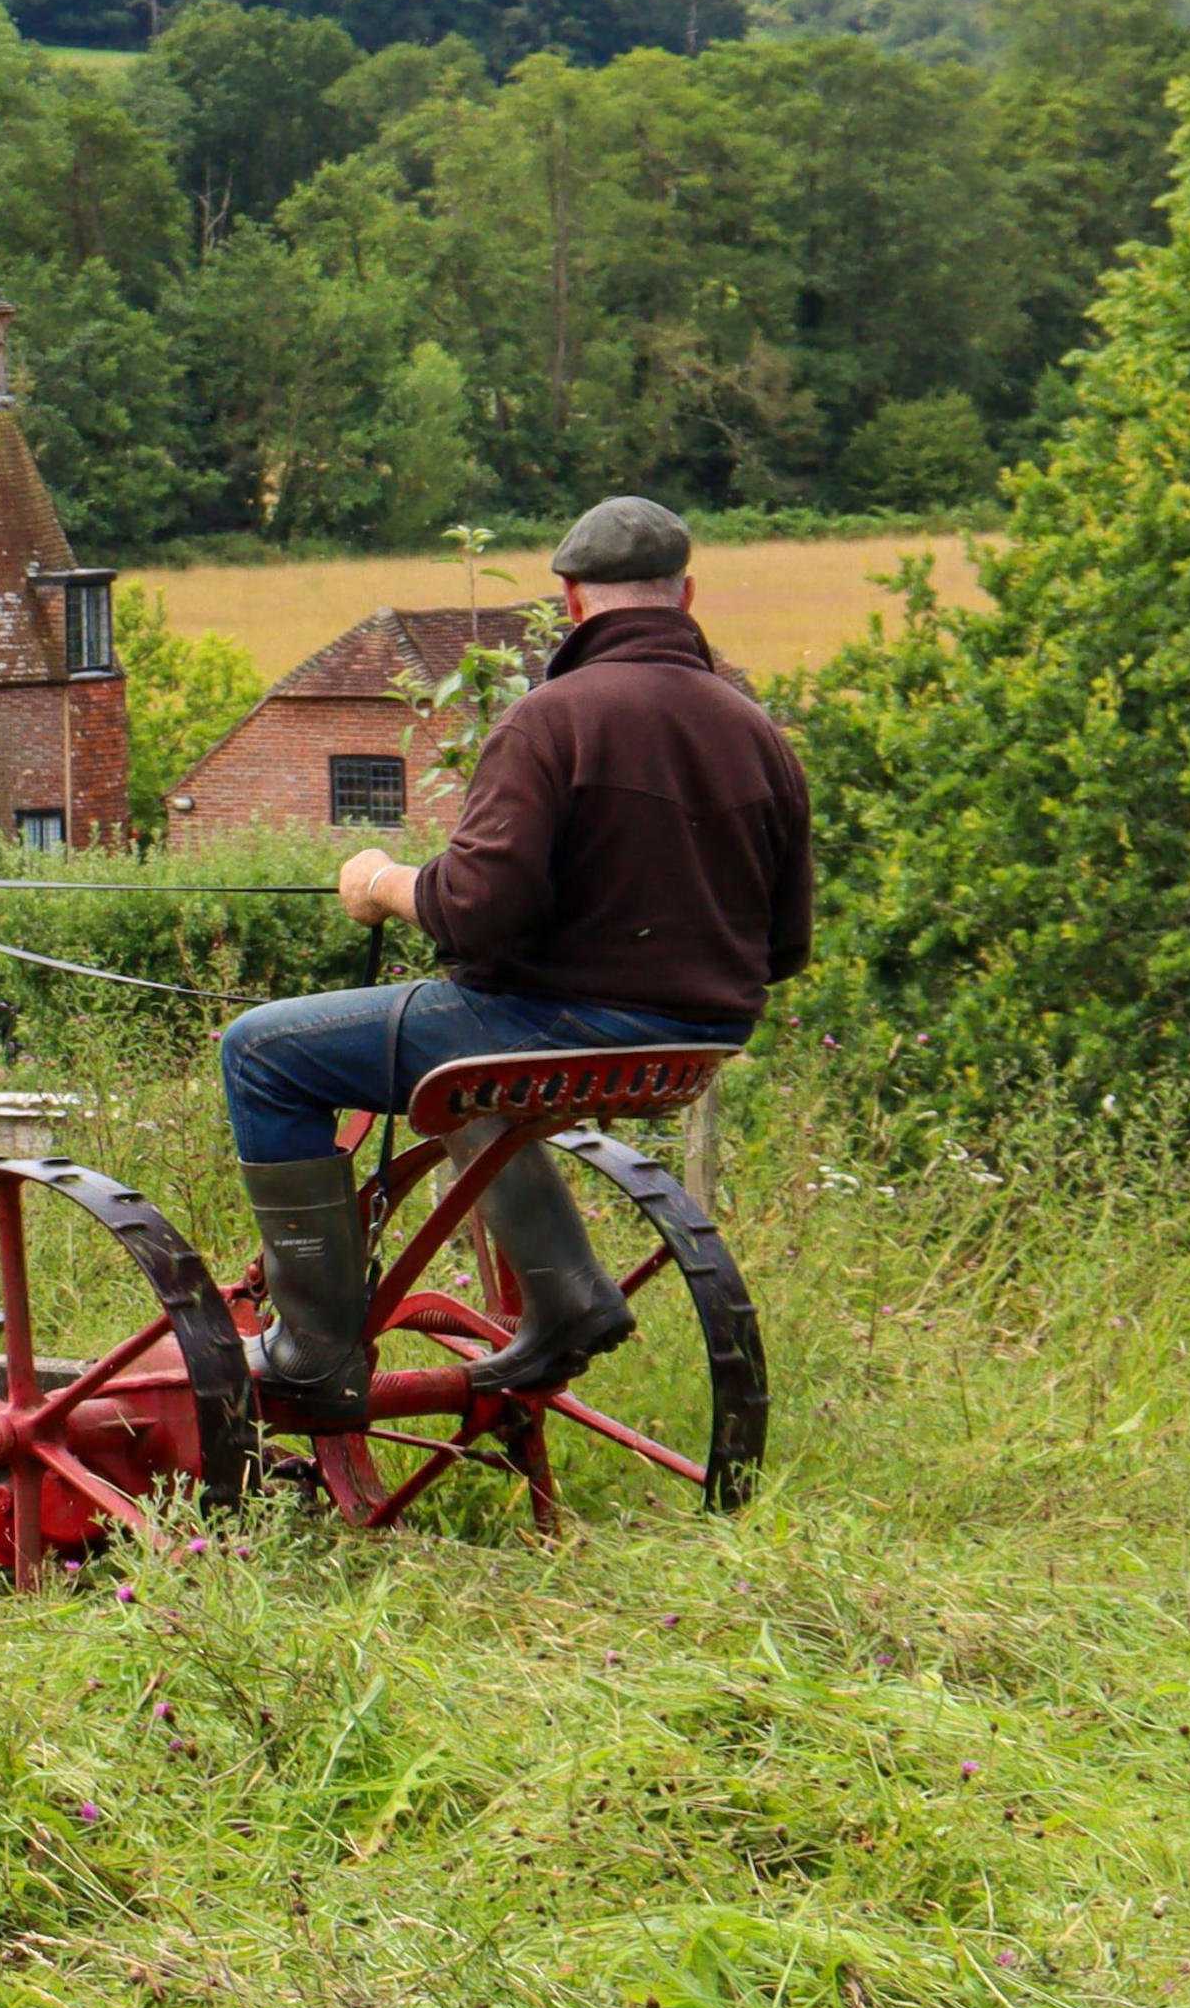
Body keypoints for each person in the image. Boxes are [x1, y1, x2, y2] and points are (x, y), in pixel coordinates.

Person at [216, 497, 812, 1413]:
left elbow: (477, 911)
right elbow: (785, 946)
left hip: (559, 1027)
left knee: (259, 1050)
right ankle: (567, 1295)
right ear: (686, 596)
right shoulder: (756, 732)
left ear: (570, 601)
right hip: (696, 1039)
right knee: (460, 1062)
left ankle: (313, 1345)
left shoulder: (552, 719)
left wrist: (381, 881)